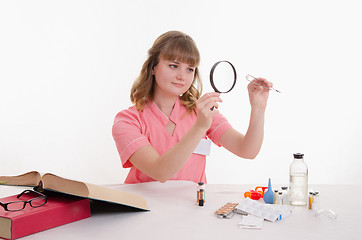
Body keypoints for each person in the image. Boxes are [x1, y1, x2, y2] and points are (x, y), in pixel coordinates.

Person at [112, 31, 273, 184]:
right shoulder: (127, 121)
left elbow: (247, 150)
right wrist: (200, 127)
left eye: (190, 69)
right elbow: (160, 172)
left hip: (193, 209)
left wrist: (258, 108)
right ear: (153, 67)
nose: (182, 76)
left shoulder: (201, 113)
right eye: (173, 66)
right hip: (145, 209)